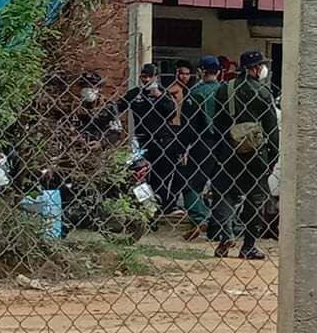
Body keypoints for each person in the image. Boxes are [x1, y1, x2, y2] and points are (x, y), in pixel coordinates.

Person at [208, 50, 279, 260]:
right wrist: (273, 157)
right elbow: (271, 128)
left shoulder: (224, 89)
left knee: (224, 193)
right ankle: (248, 246)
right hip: (255, 154)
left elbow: (217, 123)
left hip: (228, 150)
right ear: (255, 69)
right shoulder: (263, 93)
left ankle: (226, 234)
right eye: (261, 65)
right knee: (255, 198)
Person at [115, 64, 177, 214]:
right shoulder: (136, 94)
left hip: (162, 141)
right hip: (142, 140)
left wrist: (158, 96)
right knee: (139, 176)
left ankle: (161, 208)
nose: (147, 80)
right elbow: (118, 107)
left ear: (156, 77)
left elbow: (172, 113)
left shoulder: (163, 94)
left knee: (160, 177)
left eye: (150, 77)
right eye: (144, 77)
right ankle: (146, 209)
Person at [167, 60, 212, 238]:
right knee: (222, 186)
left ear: (200, 72)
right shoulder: (225, 91)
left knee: (188, 183)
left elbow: (189, 126)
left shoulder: (196, 93)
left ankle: (200, 218)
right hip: (223, 144)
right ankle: (222, 226)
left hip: (200, 143)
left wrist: (182, 148)